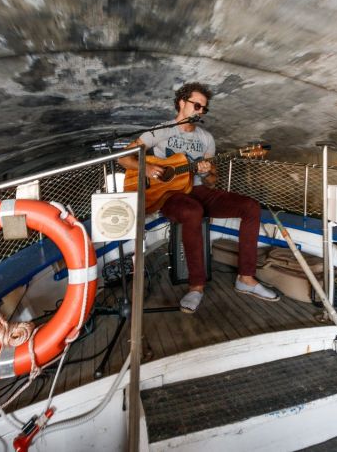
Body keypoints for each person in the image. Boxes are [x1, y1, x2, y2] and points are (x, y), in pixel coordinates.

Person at [117, 82, 280, 314]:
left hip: (197, 190)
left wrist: (206, 172)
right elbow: (123, 159)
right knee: (193, 211)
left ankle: (246, 277)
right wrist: (145, 169)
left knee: (250, 207)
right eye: (196, 105)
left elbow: (212, 181)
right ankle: (196, 286)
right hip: (168, 194)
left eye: (204, 108)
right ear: (182, 103)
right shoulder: (160, 131)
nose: (200, 111)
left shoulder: (206, 139)